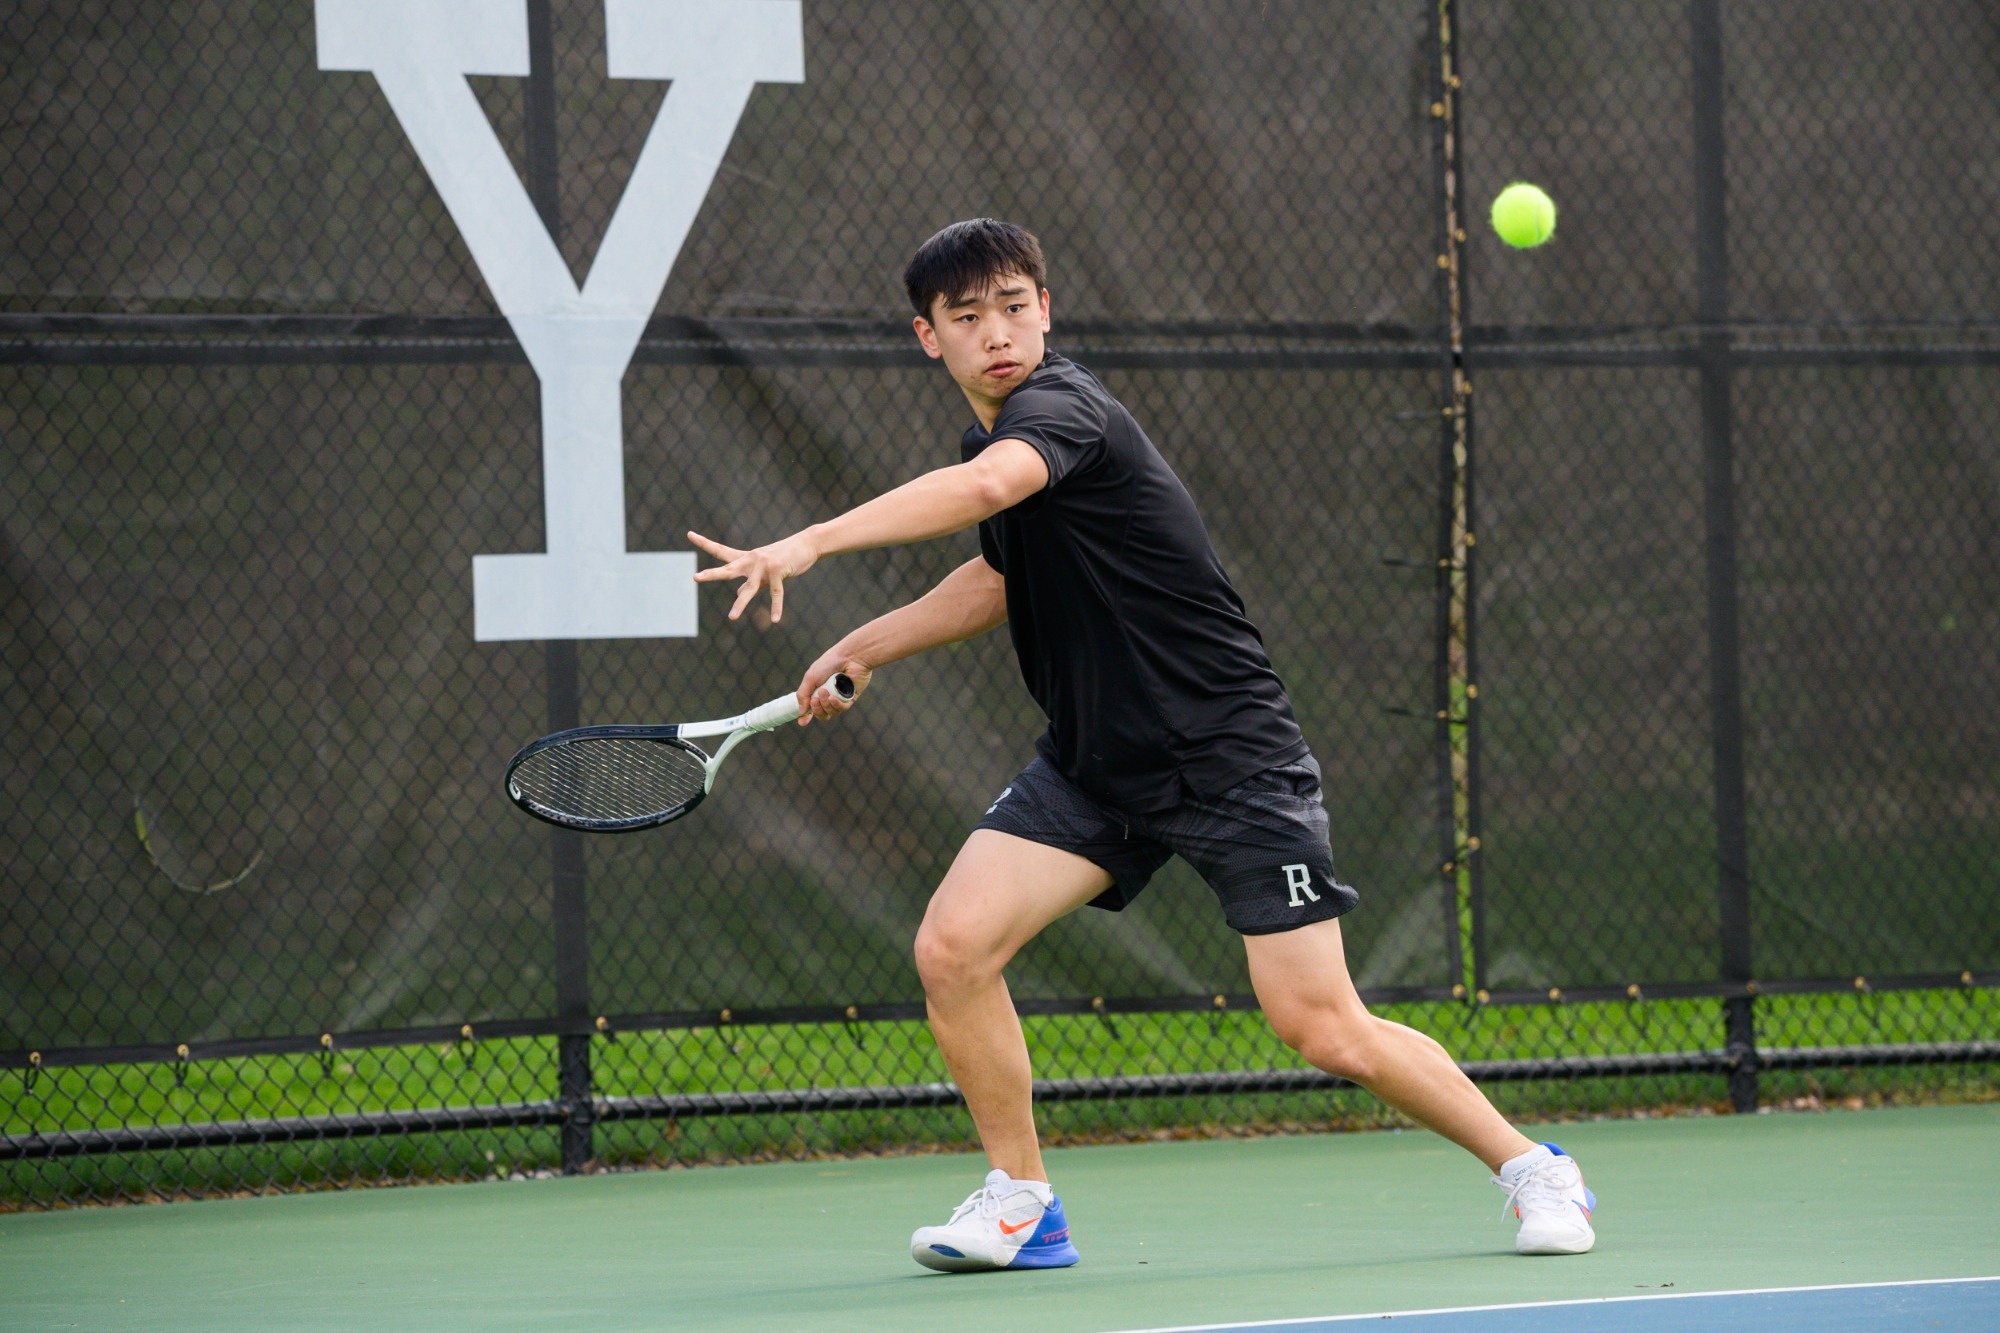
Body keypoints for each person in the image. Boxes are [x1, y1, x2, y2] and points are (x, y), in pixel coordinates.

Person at [688, 218, 1595, 1271]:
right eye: (968, 317)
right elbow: (995, 573)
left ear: (1045, 309)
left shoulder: (1059, 410)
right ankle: (1023, 1203)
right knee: (952, 948)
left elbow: (986, 492)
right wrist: (865, 645)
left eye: (1015, 306)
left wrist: (809, 540)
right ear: (926, 337)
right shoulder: (998, 447)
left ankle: (1532, 1165)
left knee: (1320, 1026)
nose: (998, 333)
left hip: (1227, 758)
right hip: (1092, 767)